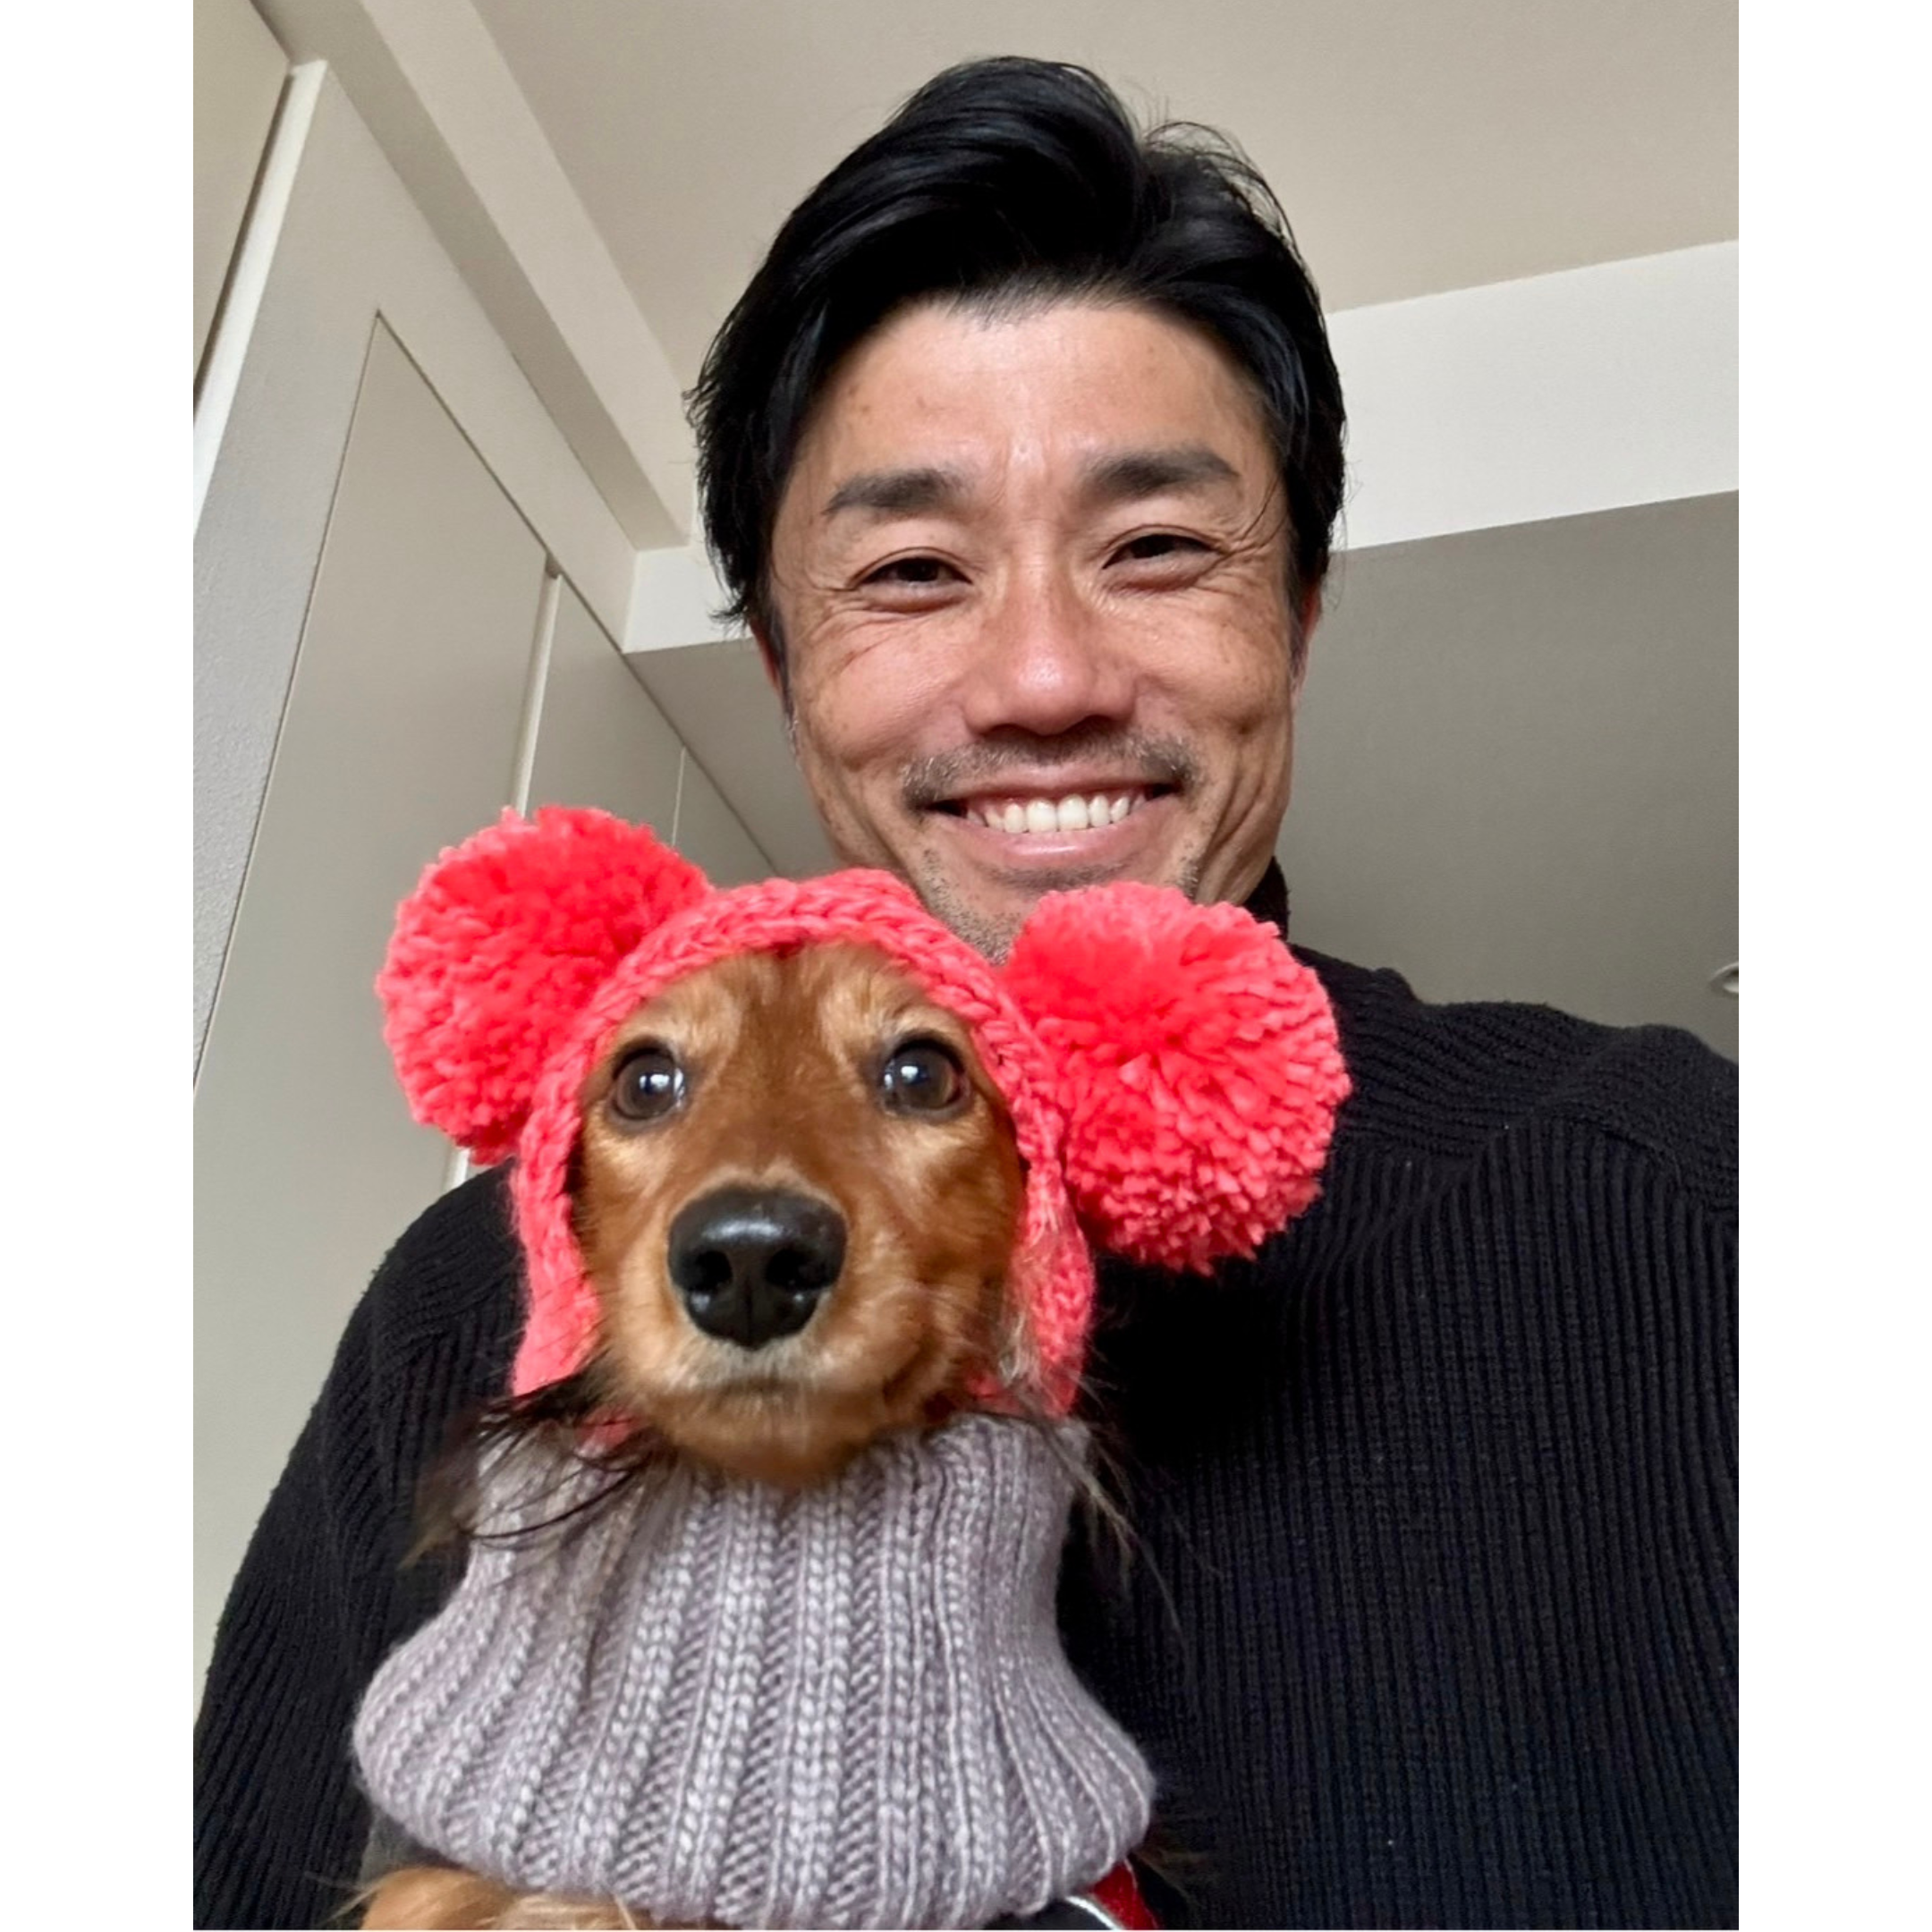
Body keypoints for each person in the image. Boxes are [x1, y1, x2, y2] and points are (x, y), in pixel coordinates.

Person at [194, 56, 1736, 1930]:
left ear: (1303, 614)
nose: (1040, 676)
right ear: (783, 669)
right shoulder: (466, 1311)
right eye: (912, 570)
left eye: (1156, 547)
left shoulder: (1685, 1199)